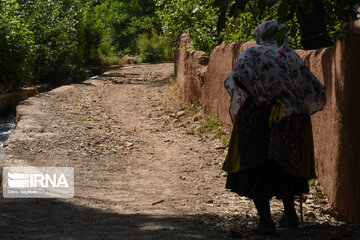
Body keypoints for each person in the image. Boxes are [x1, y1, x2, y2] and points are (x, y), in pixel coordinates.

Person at [222, 20, 326, 235]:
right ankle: (290, 216)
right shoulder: (291, 56)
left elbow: (239, 76)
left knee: (257, 165)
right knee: (286, 166)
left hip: (262, 118)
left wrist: (259, 95)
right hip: (293, 121)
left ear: (259, 35)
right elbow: (315, 87)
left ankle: (266, 221)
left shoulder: (253, 54)